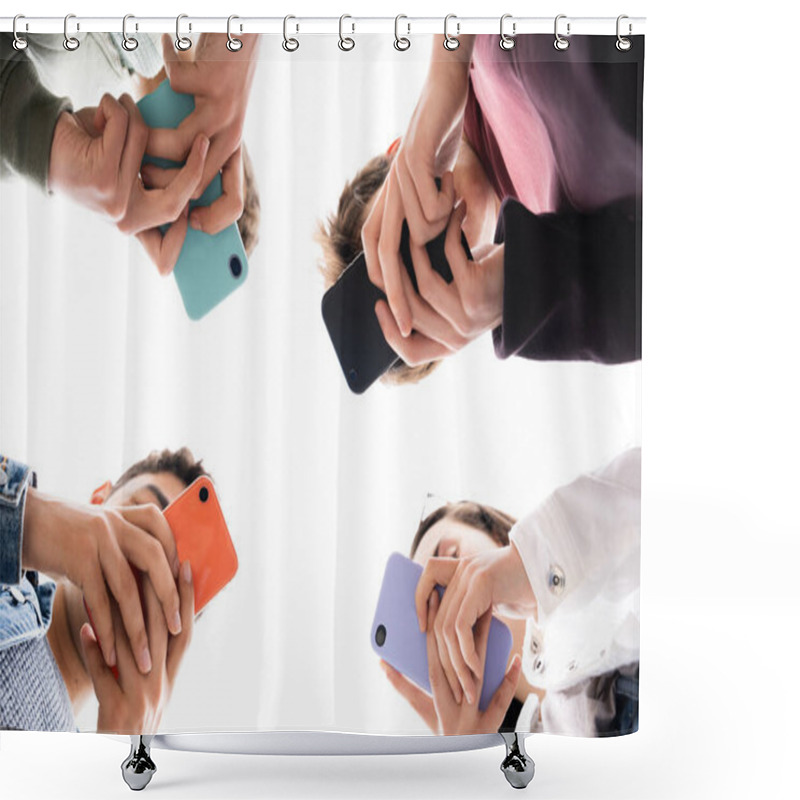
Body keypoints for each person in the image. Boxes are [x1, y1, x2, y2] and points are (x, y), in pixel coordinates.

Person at [319, 34, 642, 385]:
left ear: (396, 151)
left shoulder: (468, 60)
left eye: (403, 239)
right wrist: (522, 285)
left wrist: (448, 66)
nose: (430, 247)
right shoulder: (566, 252)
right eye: (423, 290)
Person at [382, 447, 640, 736]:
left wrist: (529, 562)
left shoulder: (607, 580)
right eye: (434, 615)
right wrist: (470, 763)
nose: (451, 601)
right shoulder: (534, 750)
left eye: (452, 555)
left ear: (494, 533)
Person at [0, 32, 260, 275]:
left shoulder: (74, 125)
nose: (184, 186)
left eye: (175, 219)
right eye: (207, 186)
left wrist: (39, 141)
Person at [0, 447, 205, 732]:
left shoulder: (80, 767)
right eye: (144, 526)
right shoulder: (8, 594)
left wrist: (119, 759)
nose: (147, 567)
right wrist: (27, 519)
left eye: (169, 584)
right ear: (98, 501)